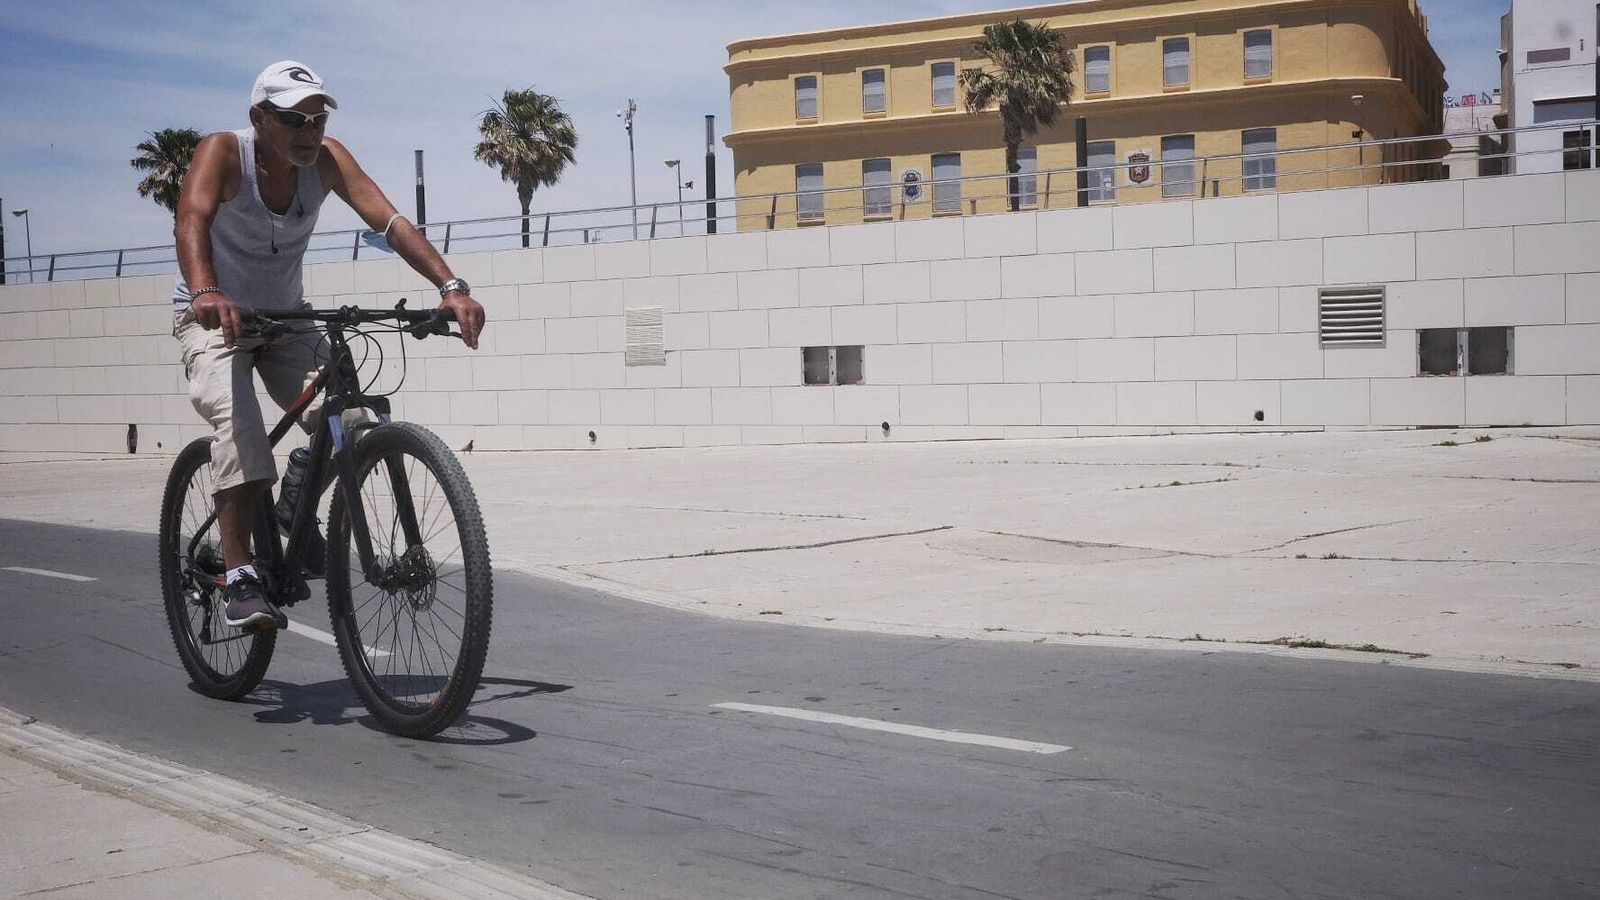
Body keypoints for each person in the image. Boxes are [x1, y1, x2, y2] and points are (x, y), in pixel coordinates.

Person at [173, 61, 486, 632]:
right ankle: (239, 575)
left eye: (318, 119)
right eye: (295, 120)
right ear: (259, 119)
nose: (310, 131)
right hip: (215, 318)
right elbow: (190, 218)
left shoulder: (327, 160)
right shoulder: (223, 152)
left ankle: (295, 503)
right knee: (240, 426)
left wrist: (450, 286)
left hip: (286, 321)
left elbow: (389, 221)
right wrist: (205, 290)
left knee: (354, 419)